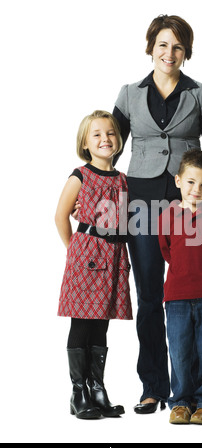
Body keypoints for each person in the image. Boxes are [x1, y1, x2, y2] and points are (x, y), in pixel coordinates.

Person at [111, 14, 202, 414]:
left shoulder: (201, 93)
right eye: (163, 45)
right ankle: (155, 386)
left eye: (178, 46)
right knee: (150, 295)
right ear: (151, 47)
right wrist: (87, 189)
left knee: (196, 290)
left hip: (191, 202)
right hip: (142, 203)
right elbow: (109, 149)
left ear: (187, 52)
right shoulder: (129, 93)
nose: (170, 53)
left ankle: (199, 396)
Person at [55, 110, 132, 420]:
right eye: (97, 134)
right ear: (85, 143)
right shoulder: (80, 176)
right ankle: (78, 393)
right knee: (82, 322)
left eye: (110, 133)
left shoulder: (124, 180)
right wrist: (73, 250)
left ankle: (97, 388)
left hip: (113, 256)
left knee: (102, 323)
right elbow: (61, 215)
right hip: (86, 256)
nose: (105, 139)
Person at [158, 149, 202, 425]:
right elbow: (166, 250)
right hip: (176, 296)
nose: (196, 189)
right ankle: (181, 402)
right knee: (179, 349)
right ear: (178, 181)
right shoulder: (167, 216)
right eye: (190, 182)